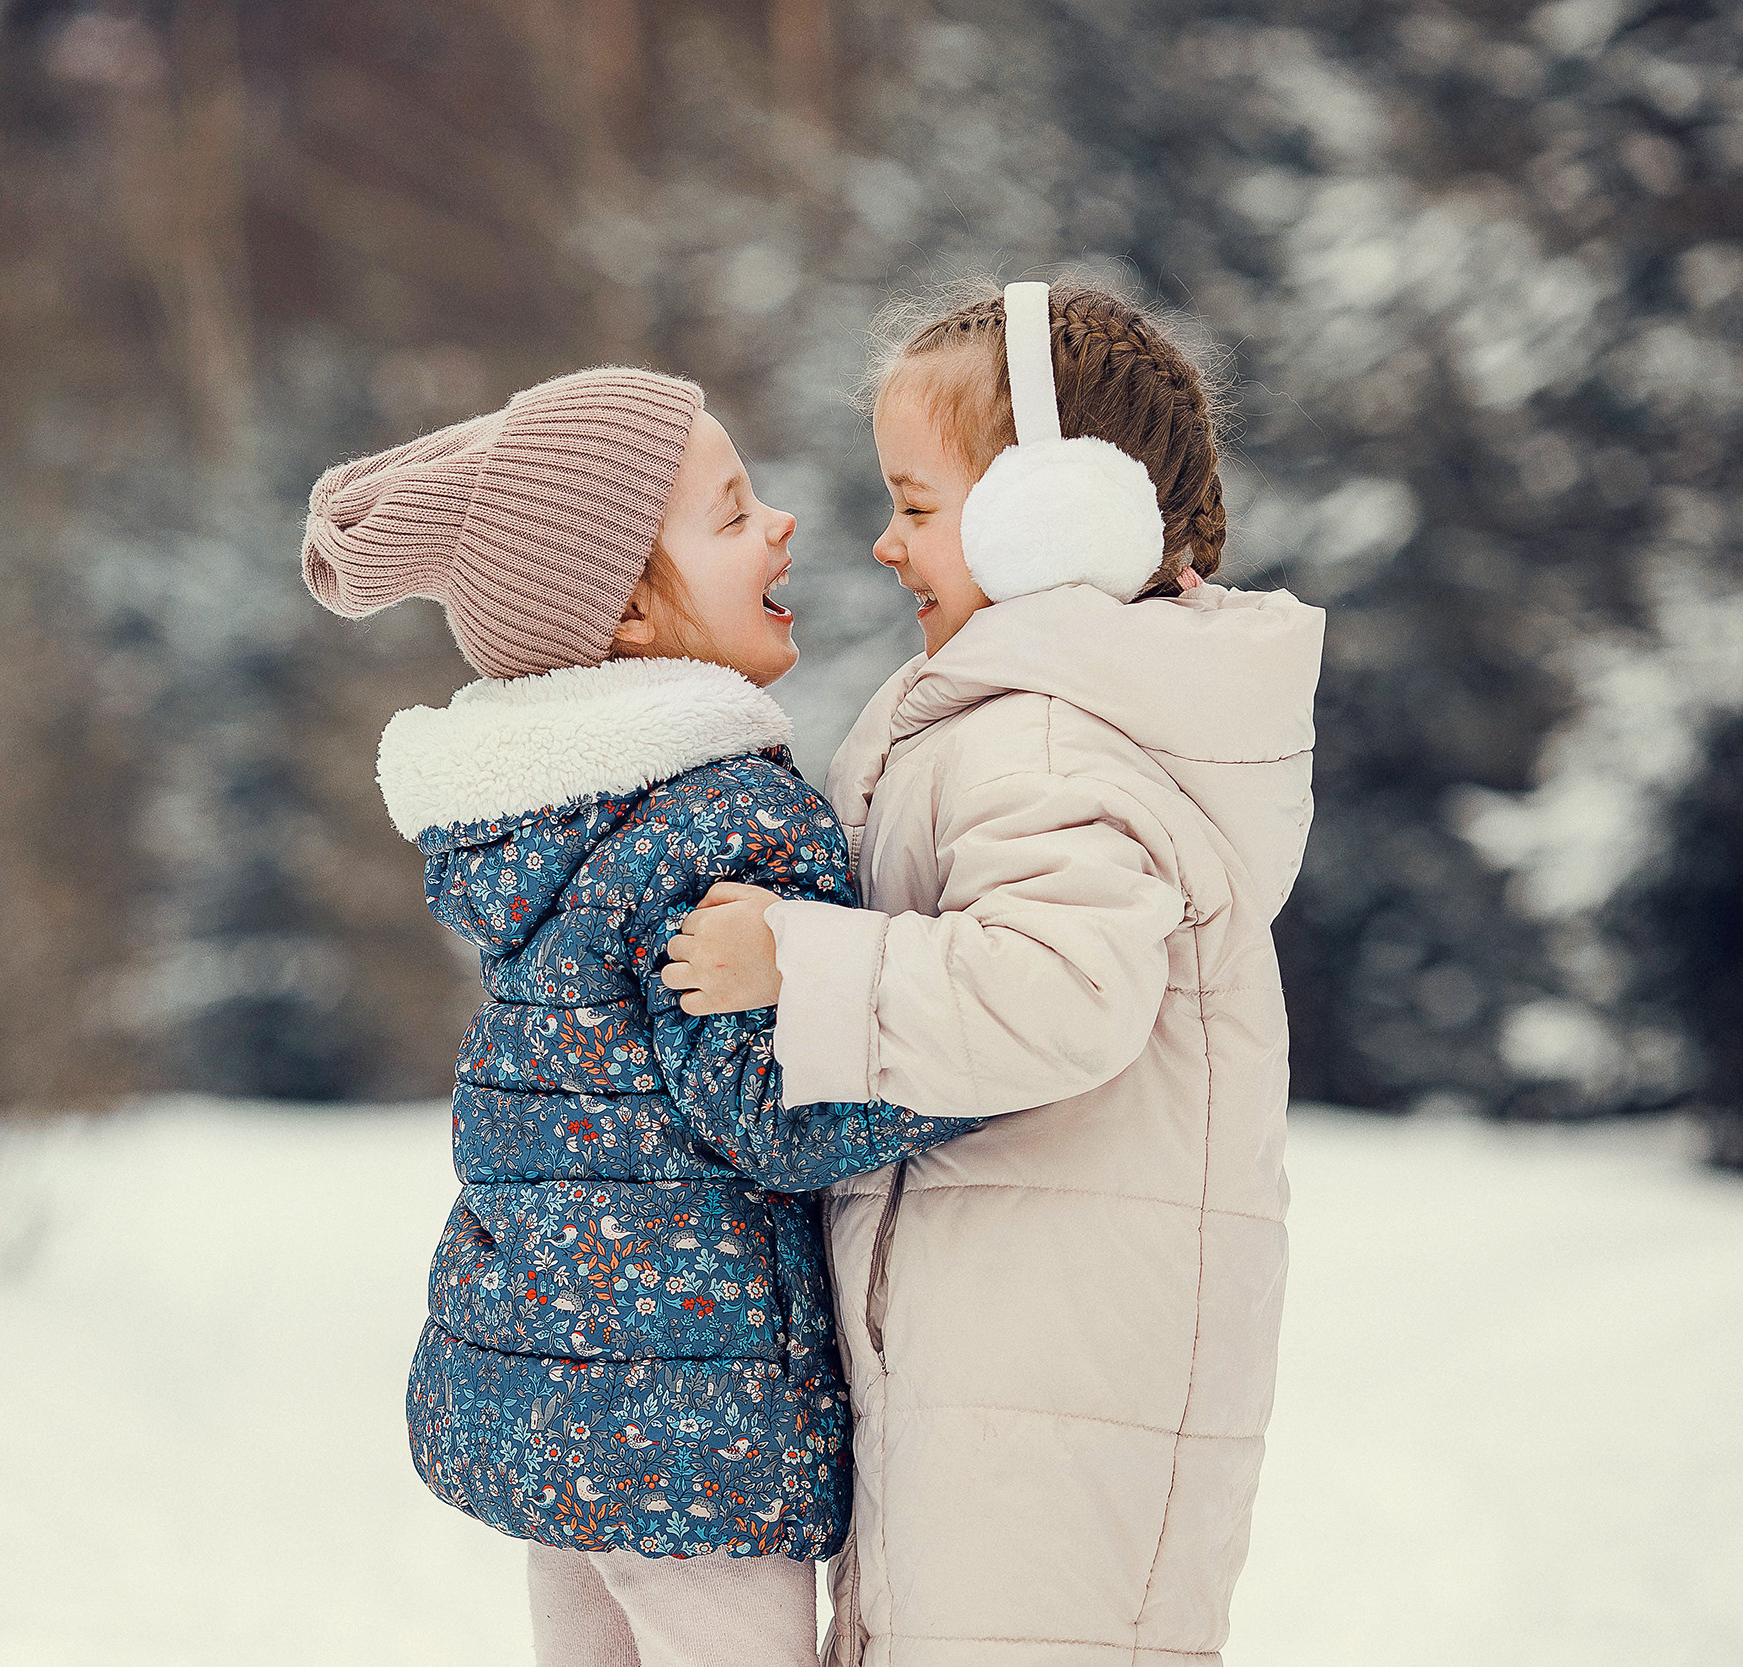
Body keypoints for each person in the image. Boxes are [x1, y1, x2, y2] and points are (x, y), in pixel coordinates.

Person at [664, 281, 1327, 1667]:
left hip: (1051, 1377)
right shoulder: (1040, 713)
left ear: (1056, 516)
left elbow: (1057, 993)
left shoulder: (1045, 739)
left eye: (916, 505)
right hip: (1020, 1360)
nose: (882, 540)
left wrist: (796, 963)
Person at [303, 367, 975, 1667]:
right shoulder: (723, 821)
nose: (780, 524)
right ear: (623, 612)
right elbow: (776, 1108)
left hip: (553, 1408)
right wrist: (988, 1030)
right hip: (693, 1437)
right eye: (731, 516)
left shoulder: (541, 832)